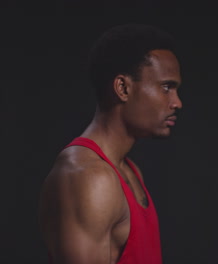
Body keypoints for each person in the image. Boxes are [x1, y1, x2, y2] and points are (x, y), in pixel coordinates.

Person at [39, 23, 182, 264]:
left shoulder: (129, 170)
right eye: (166, 87)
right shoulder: (89, 178)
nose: (177, 102)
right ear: (123, 88)